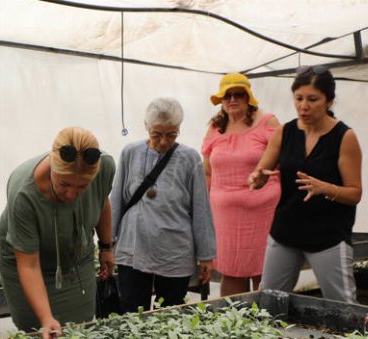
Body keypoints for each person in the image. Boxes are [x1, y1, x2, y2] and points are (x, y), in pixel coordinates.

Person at [248, 66, 362, 302]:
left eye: (312, 99)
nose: (304, 106)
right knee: (268, 301)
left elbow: (354, 193)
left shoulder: (344, 137)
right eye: (298, 99)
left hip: (328, 237)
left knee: (342, 308)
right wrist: (257, 179)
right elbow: (260, 173)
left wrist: (325, 188)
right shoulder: (284, 132)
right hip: (285, 232)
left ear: (329, 100)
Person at [0, 127, 116, 339]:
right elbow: (28, 265)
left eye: (82, 187)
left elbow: (101, 201)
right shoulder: (24, 194)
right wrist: (45, 318)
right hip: (28, 263)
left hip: (76, 256)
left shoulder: (105, 166)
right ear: (52, 165)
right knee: (38, 337)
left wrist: (106, 247)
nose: (71, 194)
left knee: (80, 332)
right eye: (64, 184)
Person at [111, 97, 216, 313]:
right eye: (156, 134)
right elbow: (116, 200)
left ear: (179, 129)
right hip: (133, 246)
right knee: (132, 313)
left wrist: (206, 255)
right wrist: (107, 245)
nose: (163, 142)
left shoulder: (189, 158)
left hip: (174, 250)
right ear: (146, 127)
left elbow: (201, 208)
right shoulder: (130, 152)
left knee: (170, 314)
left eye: (171, 135)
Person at [202, 73, 280, 296]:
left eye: (238, 94)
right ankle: (234, 326)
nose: (232, 99)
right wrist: (203, 209)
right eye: (226, 96)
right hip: (225, 216)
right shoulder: (215, 128)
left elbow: (284, 162)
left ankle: (266, 325)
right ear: (220, 100)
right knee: (231, 269)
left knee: (264, 271)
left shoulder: (268, 122)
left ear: (249, 97)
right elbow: (207, 171)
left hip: (264, 213)